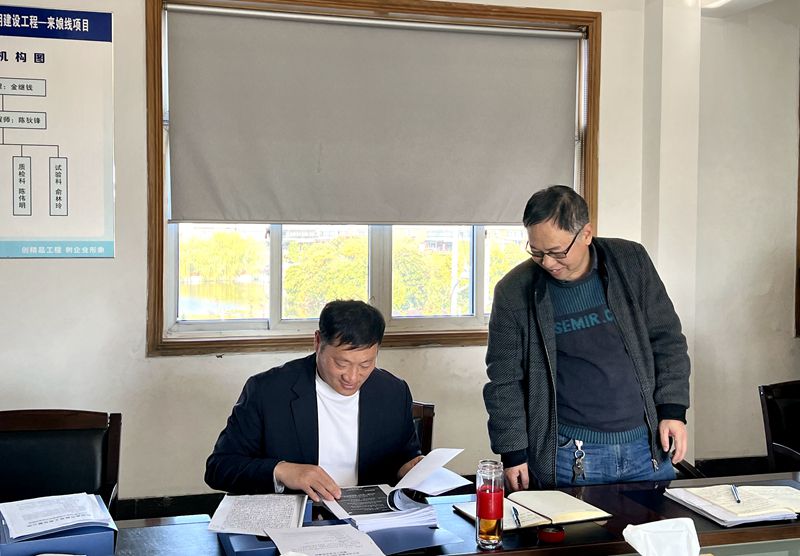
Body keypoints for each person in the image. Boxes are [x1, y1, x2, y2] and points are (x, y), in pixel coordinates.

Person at [483, 185, 690, 490]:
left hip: (647, 448)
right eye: (537, 252)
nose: (548, 263)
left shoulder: (630, 261)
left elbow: (667, 339)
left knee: (658, 521)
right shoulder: (514, 291)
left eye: (557, 252)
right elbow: (504, 379)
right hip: (570, 454)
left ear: (586, 234)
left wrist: (673, 410)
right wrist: (513, 451)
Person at [205, 300, 423, 501]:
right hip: (298, 518)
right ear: (318, 342)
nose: (352, 377)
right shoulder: (267, 390)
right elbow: (219, 468)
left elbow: (404, 460)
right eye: (341, 364)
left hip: (369, 517)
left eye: (365, 365)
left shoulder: (393, 392)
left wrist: (409, 470)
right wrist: (282, 471)